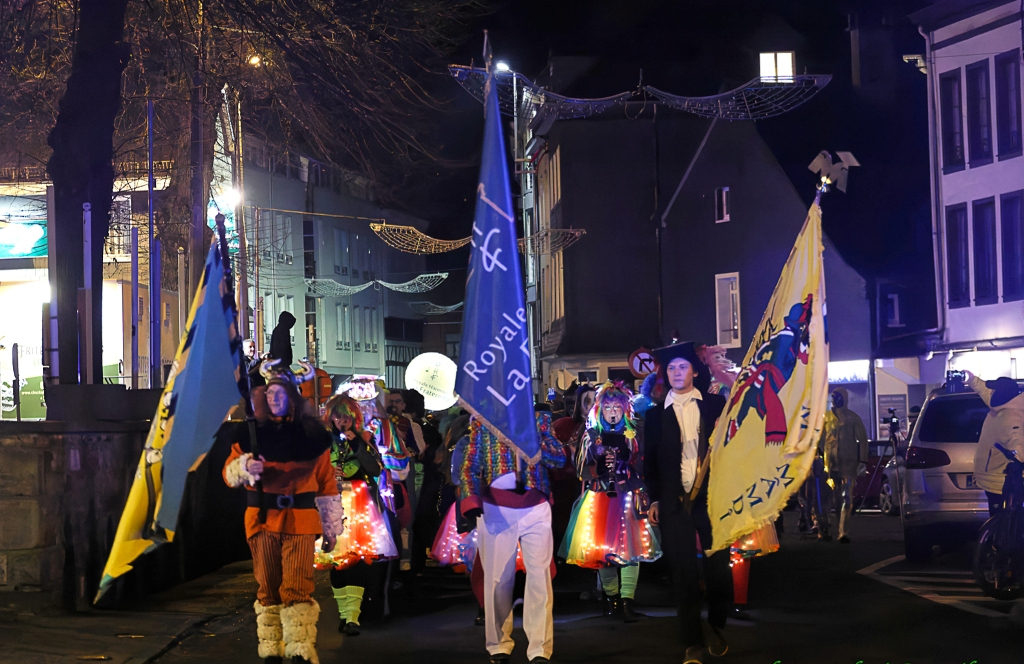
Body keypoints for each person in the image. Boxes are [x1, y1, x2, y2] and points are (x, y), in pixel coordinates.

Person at [222, 364, 344, 664]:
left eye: (280, 393)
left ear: (292, 397)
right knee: (268, 584)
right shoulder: (249, 434)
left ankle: (300, 648)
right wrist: (245, 467)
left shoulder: (313, 437)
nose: (274, 398)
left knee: (298, 585)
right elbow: (228, 474)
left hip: (300, 520)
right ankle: (271, 648)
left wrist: (331, 529)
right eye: (270, 393)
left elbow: (326, 484)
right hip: (262, 519)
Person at [643, 341, 731, 664]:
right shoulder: (654, 416)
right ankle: (692, 643)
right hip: (673, 502)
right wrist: (654, 498)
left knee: (718, 568)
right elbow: (649, 462)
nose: (677, 372)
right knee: (683, 574)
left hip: (712, 499)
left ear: (694, 371)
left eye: (682, 367)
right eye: (671, 368)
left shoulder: (715, 405)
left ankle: (717, 623)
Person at [459, 408, 566, 664]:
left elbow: (559, 459)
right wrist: (471, 500)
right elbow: (469, 467)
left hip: (535, 506)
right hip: (496, 508)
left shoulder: (539, 420)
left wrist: (532, 439)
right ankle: (498, 643)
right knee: (498, 580)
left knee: (539, 579)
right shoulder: (483, 422)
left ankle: (540, 649)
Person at [560, 381, 661, 622]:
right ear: (600, 410)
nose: (613, 412)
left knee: (633, 550)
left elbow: (647, 464)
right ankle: (612, 599)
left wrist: (629, 461)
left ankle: (627, 600)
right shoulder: (591, 435)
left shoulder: (635, 434)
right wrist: (598, 467)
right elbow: (581, 470)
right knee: (603, 551)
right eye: (608, 408)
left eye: (617, 407)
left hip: (629, 497)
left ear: (624, 409)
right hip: (600, 498)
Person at [319, 395, 397, 636]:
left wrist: (357, 444)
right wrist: (329, 471)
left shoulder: (364, 439)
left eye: (346, 417)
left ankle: (353, 617)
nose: (342, 421)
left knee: (358, 560)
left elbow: (375, 468)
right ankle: (345, 614)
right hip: (332, 502)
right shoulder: (323, 442)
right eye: (337, 416)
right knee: (337, 561)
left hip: (360, 503)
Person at [966, 372, 1024, 515]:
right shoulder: (1002, 405)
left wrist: (1018, 458)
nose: (992, 393)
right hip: (996, 479)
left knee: (1004, 522)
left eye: (995, 390)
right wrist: (971, 378)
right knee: (1002, 521)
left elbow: (1018, 443)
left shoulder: (1011, 416)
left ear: (1002, 394)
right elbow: (984, 391)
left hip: (1001, 482)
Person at [821, 387, 869, 543]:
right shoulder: (826, 418)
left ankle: (843, 532)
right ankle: (825, 528)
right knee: (829, 499)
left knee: (846, 498)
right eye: (833, 397)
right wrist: (819, 457)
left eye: (838, 397)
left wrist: (862, 461)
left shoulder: (852, 418)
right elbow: (820, 439)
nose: (835, 400)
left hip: (848, 464)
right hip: (830, 465)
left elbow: (863, 440)